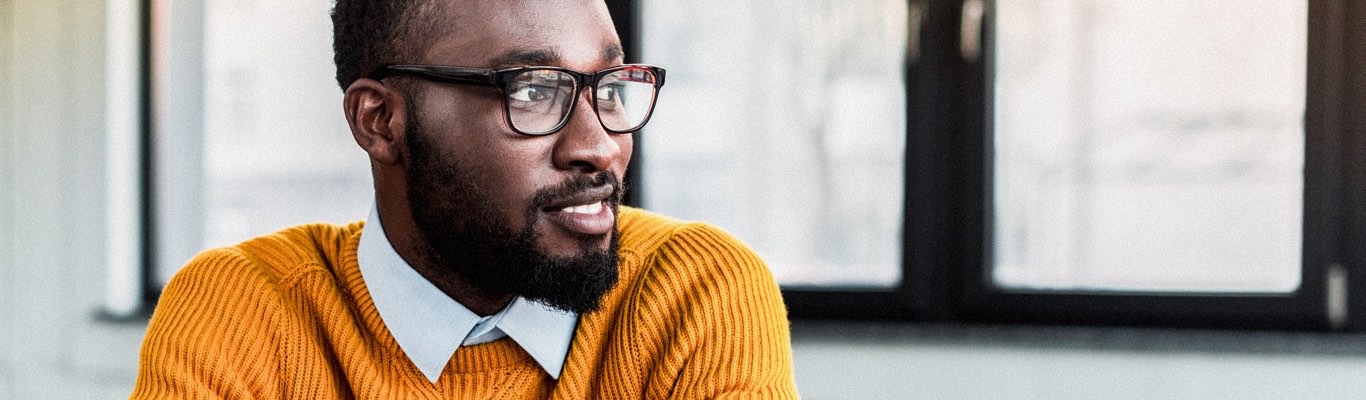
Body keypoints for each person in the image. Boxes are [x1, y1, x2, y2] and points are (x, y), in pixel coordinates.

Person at [130, 0, 797, 398]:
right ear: (379, 121)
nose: (600, 145)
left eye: (609, 84)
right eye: (534, 90)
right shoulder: (243, 314)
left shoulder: (697, 293)